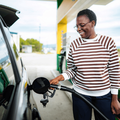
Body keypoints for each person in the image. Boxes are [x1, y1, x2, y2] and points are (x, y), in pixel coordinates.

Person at [50, 9, 120, 120]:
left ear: (93, 23)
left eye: (82, 25)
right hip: (80, 94)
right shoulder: (75, 44)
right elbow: (72, 70)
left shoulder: (108, 42)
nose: (78, 29)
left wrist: (114, 98)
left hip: (104, 95)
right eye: (76, 26)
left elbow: (114, 71)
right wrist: (60, 77)